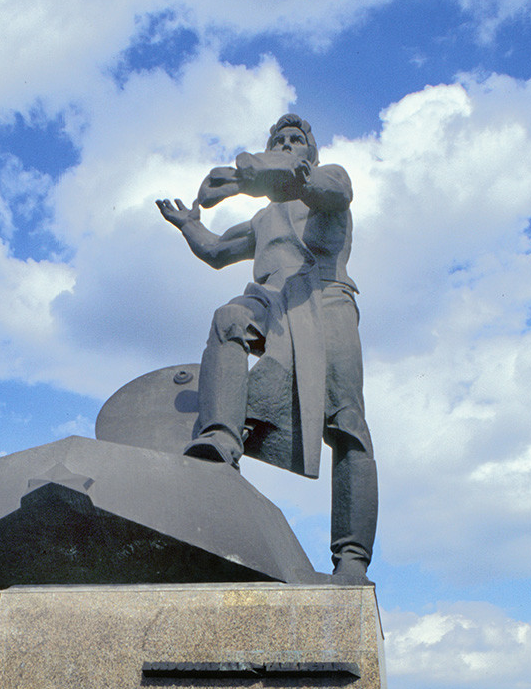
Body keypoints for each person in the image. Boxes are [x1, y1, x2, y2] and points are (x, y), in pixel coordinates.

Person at [156, 114, 377, 583]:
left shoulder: (328, 178)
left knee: (347, 423)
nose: (289, 144)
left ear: (311, 152)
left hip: (325, 295)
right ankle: (221, 439)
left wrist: (257, 175)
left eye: (297, 140)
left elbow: (317, 189)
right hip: (271, 297)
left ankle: (351, 558)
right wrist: (189, 226)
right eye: (280, 139)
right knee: (229, 318)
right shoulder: (263, 217)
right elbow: (217, 250)